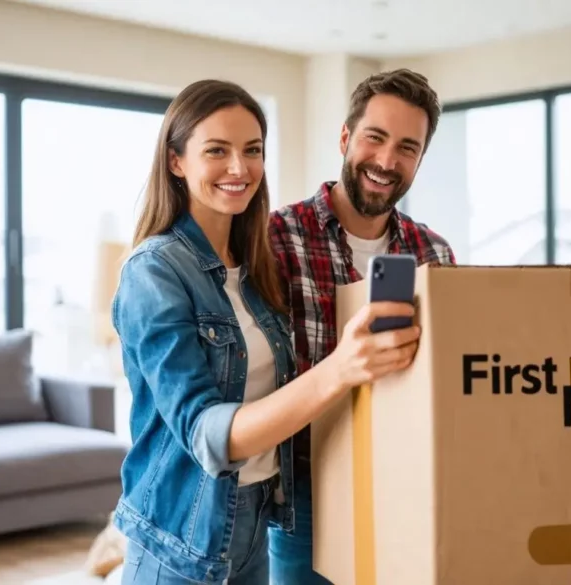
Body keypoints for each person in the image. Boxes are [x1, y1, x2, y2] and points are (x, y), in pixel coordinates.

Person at [111, 79, 423, 585]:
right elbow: (207, 434)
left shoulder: (254, 266)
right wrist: (340, 369)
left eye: (252, 150)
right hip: (183, 542)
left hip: (253, 522)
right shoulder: (155, 271)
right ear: (176, 161)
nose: (240, 168)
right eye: (217, 150)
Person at [267, 69, 458, 583]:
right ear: (346, 137)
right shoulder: (276, 237)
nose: (388, 161)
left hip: (407, 482)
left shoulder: (435, 254)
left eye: (408, 147)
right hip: (307, 486)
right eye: (376, 137)